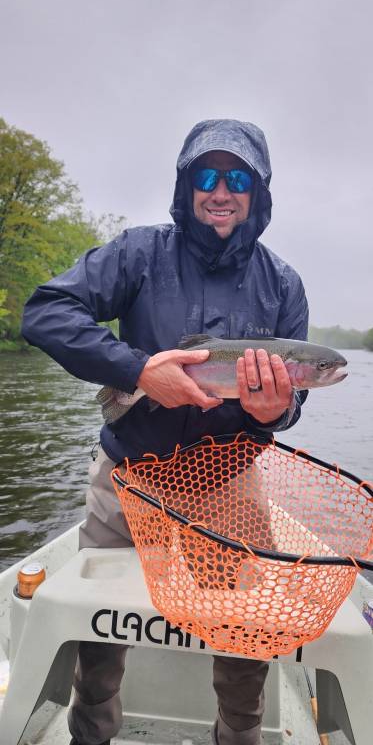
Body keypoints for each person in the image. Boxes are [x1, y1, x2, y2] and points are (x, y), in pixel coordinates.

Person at [22, 118, 309, 745]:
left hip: (229, 480)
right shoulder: (138, 253)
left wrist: (274, 413)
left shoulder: (284, 286)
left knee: (242, 631)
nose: (221, 191)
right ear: (187, 185)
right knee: (98, 630)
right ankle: (90, 734)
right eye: (207, 175)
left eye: (238, 177)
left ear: (258, 192)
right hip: (127, 473)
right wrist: (137, 370)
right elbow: (46, 310)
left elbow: (295, 404)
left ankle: (238, 736)